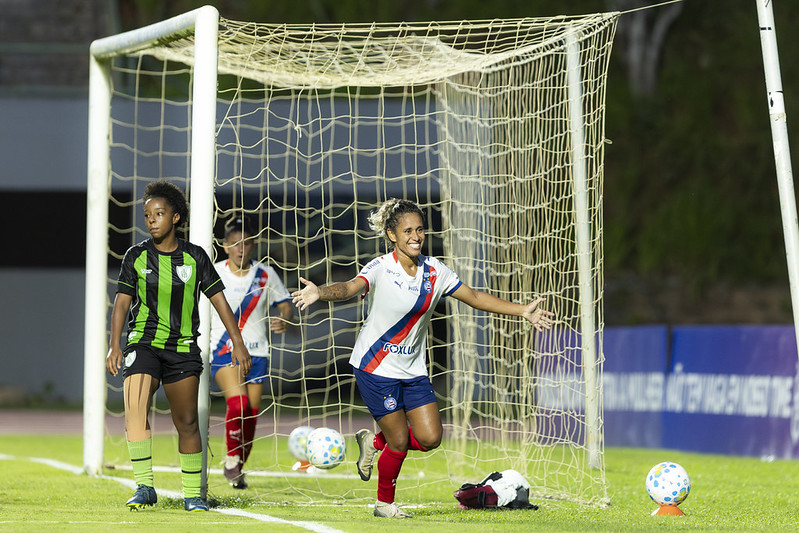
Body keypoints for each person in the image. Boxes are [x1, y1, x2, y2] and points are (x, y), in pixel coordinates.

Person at [291, 198, 555, 519]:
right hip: (376, 368)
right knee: (400, 442)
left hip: (413, 369)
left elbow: (473, 297)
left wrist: (522, 310)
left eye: (420, 230)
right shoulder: (380, 268)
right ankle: (384, 504)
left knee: (430, 439)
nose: (415, 236)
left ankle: (375, 443)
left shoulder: (436, 271)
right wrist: (320, 292)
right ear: (392, 235)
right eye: (407, 231)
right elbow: (349, 287)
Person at [106, 180, 252, 512]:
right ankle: (145, 486)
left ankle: (193, 496)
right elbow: (121, 304)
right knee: (135, 408)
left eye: (159, 213)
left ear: (175, 217)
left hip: (183, 349)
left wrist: (238, 342)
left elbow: (220, 302)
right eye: (147, 215)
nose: (152, 219)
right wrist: (115, 345)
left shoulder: (195, 257)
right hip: (142, 344)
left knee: (186, 421)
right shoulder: (136, 256)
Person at [209, 214, 293, 489]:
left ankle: (237, 467)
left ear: (254, 245)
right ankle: (232, 459)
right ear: (225, 246)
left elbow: (285, 304)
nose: (241, 248)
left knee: (251, 416)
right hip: (224, 350)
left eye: (246, 243)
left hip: (258, 353)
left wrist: (284, 317)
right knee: (239, 405)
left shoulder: (266, 274)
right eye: (235, 243)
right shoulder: (215, 272)